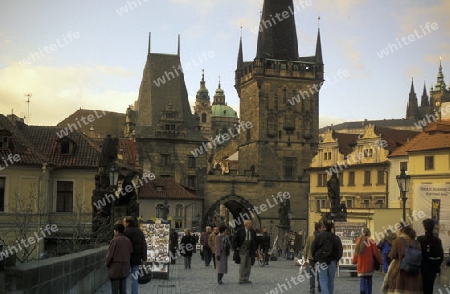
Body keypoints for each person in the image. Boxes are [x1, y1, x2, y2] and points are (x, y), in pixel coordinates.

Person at [383, 225, 423, 293]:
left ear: (401, 230)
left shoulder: (397, 240)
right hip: (415, 272)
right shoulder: (417, 243)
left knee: (400, 290)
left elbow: (392, 255)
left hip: (400, 270)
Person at [312, 220, 343, 294]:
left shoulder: (319, 236)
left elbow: (313, 248)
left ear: (324, 227)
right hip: (332, 261)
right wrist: (336, 259)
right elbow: (340, 250)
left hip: (322, 261)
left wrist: (316, 258)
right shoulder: (336, 238)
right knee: (331, 280)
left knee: (323, 280)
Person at [352, 228, 383, 294]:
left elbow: (356, 253)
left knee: (362, 279)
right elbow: (376, 253)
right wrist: (381, 262)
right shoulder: (372, 241)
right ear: (369, 233)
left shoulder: (358, 241)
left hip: (361, 264)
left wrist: (354, 261)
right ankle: (369, 292)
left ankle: (362, 289)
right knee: (369, 280)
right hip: (369, 264)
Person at [417, 218, 444, 294]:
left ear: (424, 227)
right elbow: (441, 256)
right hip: (433, 268)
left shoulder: (420, 239)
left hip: (422, 267)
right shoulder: (437, 240)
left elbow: (416, 254)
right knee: (430, 287)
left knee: (421, 287)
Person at [105, 223, 133, 294]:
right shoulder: (127, 240)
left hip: (115, 266)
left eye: (114, 230)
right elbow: (130, 251)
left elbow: (110, 254)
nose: (114, 232)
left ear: (117, 230)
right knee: (123, 287)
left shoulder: (115, 240)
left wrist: (107, 263)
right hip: (125, 266)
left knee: (115, 288)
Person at [123, 216, 147, 294]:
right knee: (135, 277)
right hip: (136, 258)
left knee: (125, 277)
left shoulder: (125, 232)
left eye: (125, 222)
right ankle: (134, 292)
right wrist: (144, 258)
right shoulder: (139, 231)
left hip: (126, 257)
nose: (124, 223)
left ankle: (124, 291)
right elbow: (144, 245)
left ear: (128, 223)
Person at [303, 222, 325, 293]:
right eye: (322, 227)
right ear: (319, 228)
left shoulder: (310, 236)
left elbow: (306, 247)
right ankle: (320, 287)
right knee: (320, 273)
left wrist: (305, 258)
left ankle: (312, 289)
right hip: (320, 257)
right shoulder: (323, 236)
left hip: (311, 257)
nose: (323, 229)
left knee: (312, 274)